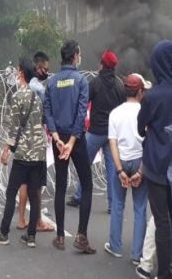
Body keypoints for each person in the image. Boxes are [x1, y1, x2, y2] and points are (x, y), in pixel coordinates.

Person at [0, 58, 47, 248]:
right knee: (35, 194)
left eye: (17, 71)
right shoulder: (36, 97)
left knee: (11, 191)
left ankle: (3, 232)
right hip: (38, 153)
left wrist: (6, 151)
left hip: (23, 154)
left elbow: (13, 129)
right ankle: (31, 236)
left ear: (20, 73)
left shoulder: (18, 97)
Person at [44, 40, 96, 253]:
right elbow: (81, 112)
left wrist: (57, 138)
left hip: (59, 140)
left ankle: (60, 237)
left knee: (61, 185)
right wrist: (73, 141)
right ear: (75, 56)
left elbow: (47, 111)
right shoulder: (81, 80)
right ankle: (81, 236)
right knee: (87, 184)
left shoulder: (52, 81)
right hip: (76, 139)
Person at [68, 50, 126, 211]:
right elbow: (123, 109)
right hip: (112, 135)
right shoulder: (120, 85)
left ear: (102, 65)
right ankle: (112, 204)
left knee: (84, 165)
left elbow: (84, 102)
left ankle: (79, 196)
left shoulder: (95, 83)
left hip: (95, 132)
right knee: (112, 170)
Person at [103, 73, 151, 265]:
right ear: (140, 91)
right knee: (140, 208)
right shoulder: (145, 112)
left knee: (117, 204)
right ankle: (136, 254)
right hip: (140, 161)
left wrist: (119, 170)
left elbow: (112, 143)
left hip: (121, 160)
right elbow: (149, 143)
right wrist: (141, 171)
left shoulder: (115, 113)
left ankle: (115, 246)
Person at [138, 40, 172, 279]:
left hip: (156, 168)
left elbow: (141, 127)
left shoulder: (153, 96)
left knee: (162, 222)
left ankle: (164, 276)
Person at [16, 51, 54, 232]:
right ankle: (38, 221)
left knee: (23, 182)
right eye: (45, 69)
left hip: (24, 141)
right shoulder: (39, 89)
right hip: (37, 142)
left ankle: (21, 219)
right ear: (38, 68)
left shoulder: (23, 88)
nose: (47, 72)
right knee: (37, 183)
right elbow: (46, 114)